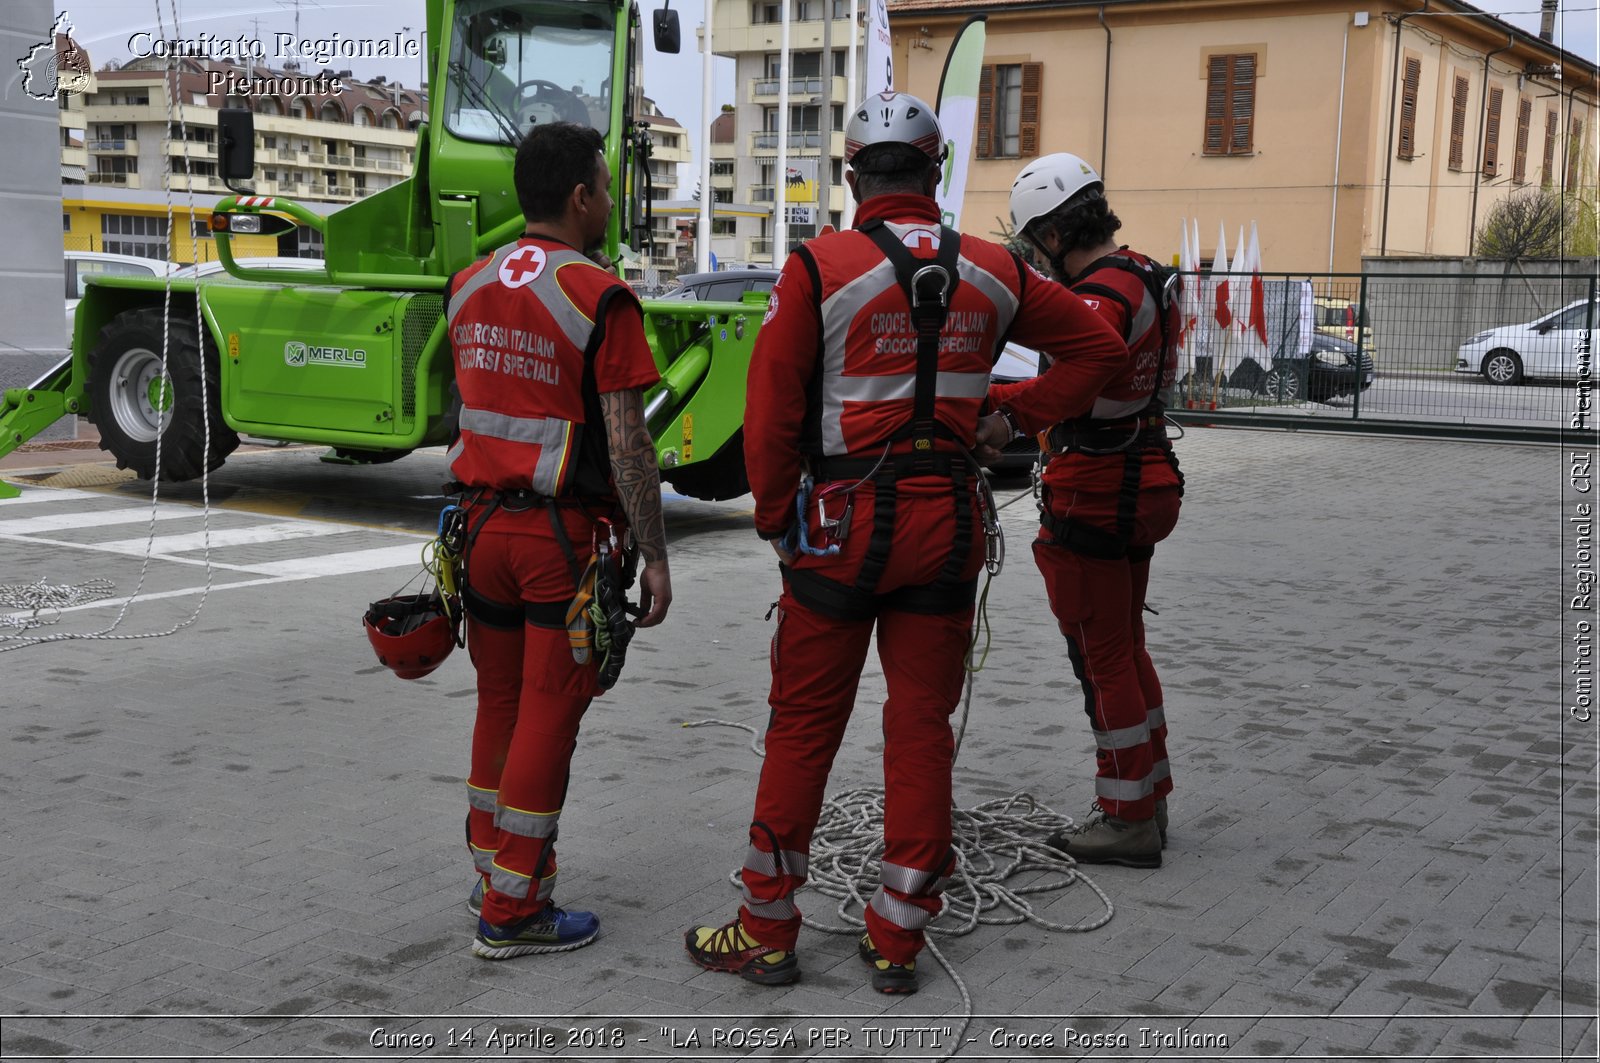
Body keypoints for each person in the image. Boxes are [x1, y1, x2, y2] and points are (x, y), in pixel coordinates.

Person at [684, 93, 1128, 994]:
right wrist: (1009, 412)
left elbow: (769, 412)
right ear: (936, 172)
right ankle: (898, 933)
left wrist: (776, 520)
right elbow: (1101, 355)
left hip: (840, 529)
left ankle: (767, 926)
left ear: (853, 175)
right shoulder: (997, 268)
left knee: (804, 726)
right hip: (948, 525)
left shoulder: (818, 267)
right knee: (920, 726)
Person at [448, 122, 672, 960]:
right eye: (607, 188)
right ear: (580, 197)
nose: (611, 201)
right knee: (550, 711)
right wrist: (654, 553)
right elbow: (627, 442)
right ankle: (514, 912)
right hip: (554, 541)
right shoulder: (599, 294)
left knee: (498, 703)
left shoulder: (468, 285)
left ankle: (494, 871)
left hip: (478, 532)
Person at [992, 151, 1185, 869]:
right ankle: (1151, 794)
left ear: (1051, 233)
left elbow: (1079, 378)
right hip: (1145, 473)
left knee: (1102, 655)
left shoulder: (1098, 295)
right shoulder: (1146, 275)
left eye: (1033, 244)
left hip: (1099, 485)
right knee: (1127, 644)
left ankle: (1126, 815)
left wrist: (1004, 416)